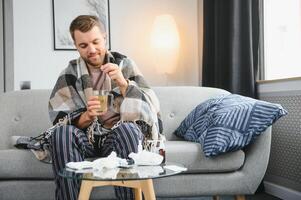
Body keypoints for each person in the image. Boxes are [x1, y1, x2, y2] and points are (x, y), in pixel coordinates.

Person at [48, 15, 163, 200]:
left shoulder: (124, 65)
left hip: (117, 137)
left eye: (95, 42)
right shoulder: (69, 74)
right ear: (76, 46)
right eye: (83, 46)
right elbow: (60, 119)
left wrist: (123, 83)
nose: (91, 50)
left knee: (129, 130)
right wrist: (87, 115)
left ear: (105, 38)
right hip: (86, 138)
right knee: (61, 134)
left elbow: (151, 105)